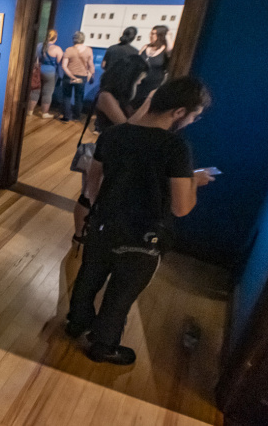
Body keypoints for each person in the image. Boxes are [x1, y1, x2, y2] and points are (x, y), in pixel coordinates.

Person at [66, 76, 215, 365]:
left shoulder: (113, 135)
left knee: (88, 277)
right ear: (179, 112)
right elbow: (181, 207)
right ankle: (103, 346)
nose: (191, 122)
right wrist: (193, 182)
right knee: (120, 295)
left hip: (102, 226)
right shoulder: (175, 148)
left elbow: (91, 187)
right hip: (142, 237)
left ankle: (76, 324)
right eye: (193, 116)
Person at [71, 56, 153, 244]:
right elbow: (126, 127)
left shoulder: (119, 97)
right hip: (106, 150)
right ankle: (79, 235)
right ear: (129, 77)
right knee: (88, 194)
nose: (140, 83)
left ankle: (92, 232)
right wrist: (149, 102)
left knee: (100, 193)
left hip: (115, 151)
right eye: (139, 79)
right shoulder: (106, 96)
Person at [27, 29, 63, 118]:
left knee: (35, 91)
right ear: (55, 38)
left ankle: (30, 111)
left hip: (39, 69)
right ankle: (44, 113)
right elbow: (58, 61)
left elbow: (35, 57)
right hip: (50, 72)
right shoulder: (57, 49)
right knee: (47, 93)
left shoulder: (39, 45)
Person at [60, 32, 95, 122]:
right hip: (82, 77)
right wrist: (92, 76)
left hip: (69, 77)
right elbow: (91, 65)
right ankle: (77, 117)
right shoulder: (89, 50)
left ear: (74, 39)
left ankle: (66, 117)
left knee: (66, 96)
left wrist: (72, 76)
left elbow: (64, 66)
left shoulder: (69, 50)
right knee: (79, 97)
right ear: (83, 39)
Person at [135, 25, 171, 102]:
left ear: (160, 35)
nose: (150, 36)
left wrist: (168, 37)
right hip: (138, 84)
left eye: (153, 34)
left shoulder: (165, 50)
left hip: (153, 86)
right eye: (151, 33)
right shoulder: (145, 47)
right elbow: (135, 62)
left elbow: (171, 51)